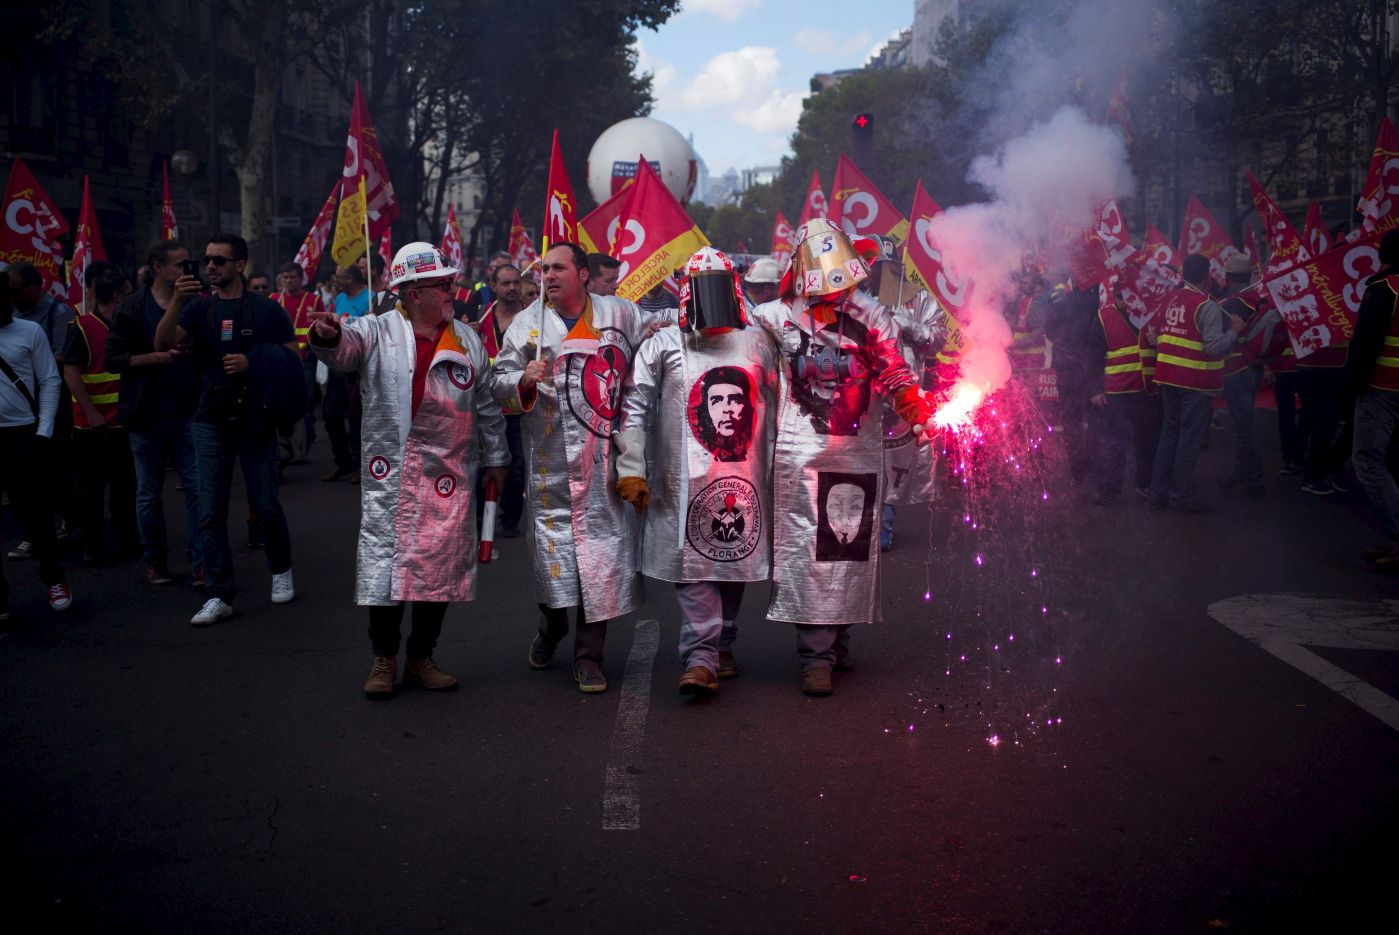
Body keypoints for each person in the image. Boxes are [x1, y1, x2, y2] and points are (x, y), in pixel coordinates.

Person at [308, 242, 510, 697]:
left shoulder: (466, 338)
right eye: (442, 284)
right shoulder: (375, 331)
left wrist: (498, 459)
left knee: (437, 571)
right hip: (392, 476)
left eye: (450, 281)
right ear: (413, 293)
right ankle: (384, 659)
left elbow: (486, 404)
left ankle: (422, 657)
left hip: (448, 475)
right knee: (385, 568)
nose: (451, 290)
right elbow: (342, 352)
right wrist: (326, 335)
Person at [748, 219, 937, 696]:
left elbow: (894, 369)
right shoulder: (773, 317)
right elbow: (742, 354)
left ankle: (840, 638)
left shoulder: (872, 316)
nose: (835, 296)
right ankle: (815, 654)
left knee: (847, 548)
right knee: (810, 550)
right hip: (800, 454)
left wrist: (915, 408)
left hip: (855, 452)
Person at [615, 247, 779, 694]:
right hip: (680, 483)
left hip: (745, 479)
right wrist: (632, 467)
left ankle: (722, 641)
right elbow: (633, 407)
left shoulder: (759, 341)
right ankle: (701, 656)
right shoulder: (664, 342)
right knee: (692, 567)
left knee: (734, 564)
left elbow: (783, 406)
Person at [490, 242, 649, 693]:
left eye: (558, 268)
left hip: (604, 465)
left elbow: (647, 358)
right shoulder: (526, 325)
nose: (548, 276)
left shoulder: (619, 314)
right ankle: (551, 627)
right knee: (555, 566)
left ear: (583, 273)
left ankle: (588, 658)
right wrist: (522, 378)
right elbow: (496, 384)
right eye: (543, 270)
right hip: (550, 472)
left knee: (599, 565)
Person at [155, 232, 299, 625]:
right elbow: (165, 342)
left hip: (254, 416)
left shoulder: (267, 311)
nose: (211, 267)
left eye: (220, 260)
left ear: (240, 264)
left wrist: (255, 362)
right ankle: (220, 593)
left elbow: (292, 360)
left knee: (266, 504)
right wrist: (179, 300)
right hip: (210, 417)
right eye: (207, 260)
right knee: (209, 509)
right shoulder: (199, 309)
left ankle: (281, 569)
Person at [106, 240, 205, 586]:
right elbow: (114, 358)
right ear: (157, 267)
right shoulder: (132, 307)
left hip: (188, 408)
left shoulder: (195, 303)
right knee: (148, 493)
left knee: (195, 488)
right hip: (145, 412)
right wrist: (154, 358)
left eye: (187, 264)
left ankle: (200, 561)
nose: (183, 271)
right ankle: (155, 559)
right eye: (177, 265)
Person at [1147, 253, 1245, 513]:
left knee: (1169, 436)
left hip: (1167, 378)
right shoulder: (1206, 305)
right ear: (1207, 275)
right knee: (1187, 441)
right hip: (1194, 381)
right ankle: (1180, 497)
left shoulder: (1170, 298)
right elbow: (1214, 347)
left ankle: (1157, 494)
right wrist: (1234, 331)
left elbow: (1155, 335)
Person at [0, 271, 73, 616]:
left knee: (35, 515)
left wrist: (43, 432)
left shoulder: (29, 332)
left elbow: (49, 381)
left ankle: (54, 577)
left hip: (23, 435)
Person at [61, 263, 139, 563]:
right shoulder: (81, 327)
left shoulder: (127, 325)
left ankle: (127, 541)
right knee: (90, 490)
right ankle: (93, 544)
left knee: (125, 487)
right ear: (117, 296)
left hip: (123, 422)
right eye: (128, 294)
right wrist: (91, 412)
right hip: (91, 426)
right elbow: (71, 373)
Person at [6, 261, 79, 560]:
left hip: (52, 405)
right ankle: (36, 532)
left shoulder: (58, 314)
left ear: (35, 286)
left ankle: (69, 519)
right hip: (19, 408)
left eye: (16, 289)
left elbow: (63, 357)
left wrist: (31, 358)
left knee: (54, 467)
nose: (12, 296)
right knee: (22, 477)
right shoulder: (10, 315)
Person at [1347, 230, 1399, 569]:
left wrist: (1353, 385)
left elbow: (1365, 343)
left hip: (1382, 388)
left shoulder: (1384, 289)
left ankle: (1397, 537)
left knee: (1367, 461)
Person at [1088, 276, 1151, 505]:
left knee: (1145, 441)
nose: (1128, 302)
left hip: (1145, 390)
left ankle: (1145, 484)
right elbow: (1093, 357)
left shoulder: (1146, 315)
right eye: (1123, 297)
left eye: (1131, 296)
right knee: (1113, 443)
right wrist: (1095, 390)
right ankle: (1108, 490)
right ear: (1115, 297)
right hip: (1115, 392)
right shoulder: (1104, 318)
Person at [476, 262, 527, 536]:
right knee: (483, 465)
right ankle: (481, 519)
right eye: (505, 283)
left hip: (519, 408)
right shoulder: (481, 318)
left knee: (515, 467)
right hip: (487, 407)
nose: (511, 288)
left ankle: (510, 519)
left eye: (516, 283)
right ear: (493, 286)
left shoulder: (533, 319)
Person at [1217, 253, 1269, 498]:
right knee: (1243, 424)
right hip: (1254, 367)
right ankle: (1241, 472)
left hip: (1236, 369)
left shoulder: (1230, 304)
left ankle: (1254, 479)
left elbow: (1220, 340)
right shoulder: (1255, 297)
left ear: (1227, 277)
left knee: (1244, 427)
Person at [269, 261, 324, 463]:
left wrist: (312, 349)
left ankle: (303, 449)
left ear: (301, 279)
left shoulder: (314, 299)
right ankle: (286, 447)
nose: (289, 281)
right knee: (281, 404)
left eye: (293, 277)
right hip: (279, 362)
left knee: (306, 403)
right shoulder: (274, 299)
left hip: (305, 360)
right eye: (286, 277)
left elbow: (319, 329)